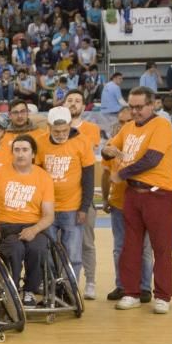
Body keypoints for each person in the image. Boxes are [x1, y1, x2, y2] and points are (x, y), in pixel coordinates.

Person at [101, 86, 172, 314]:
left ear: (153, 104)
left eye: (139, 107)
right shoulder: (128, 128)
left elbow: (152, 159)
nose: (135, 112)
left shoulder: (162, 124)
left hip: (159, 194)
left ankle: (163, 296)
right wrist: (108, 151)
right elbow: (108, 149)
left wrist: (120, 173)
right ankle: (131, 292)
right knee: (130, 247)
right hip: (132, 194)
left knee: (161, 248)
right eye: (131, 107)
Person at [0, 135, 55, 306]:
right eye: (16, 150)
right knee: (15, 249)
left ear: (33, 154)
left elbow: (48, 215)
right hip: (5, 226)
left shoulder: (43, 177)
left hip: (33, 226)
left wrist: (34, 229)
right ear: (12, 153)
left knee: (38, 249)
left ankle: (30, 291)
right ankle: (12, 288)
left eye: (25, 150)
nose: (20, 154)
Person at [34, 106, 94, 285]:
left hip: (73, 208)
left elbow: (89, 179)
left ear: (70, 125)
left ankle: (70, 289)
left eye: (64, 130)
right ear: (48, 126)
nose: (60, 134)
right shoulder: (40, 142)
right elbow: (36, 175)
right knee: (48, 252)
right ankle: (53, 287)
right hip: (47, 209)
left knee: (73, 254)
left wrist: (84, 208)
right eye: (56, 131)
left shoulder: (83, 142)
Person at [101, 107, 154, 304]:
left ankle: (144, 287)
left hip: (143, 203)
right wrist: (105, 198)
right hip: (119, 203)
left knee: (145, 248)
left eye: (128, 121)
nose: (125, 125)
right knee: (120, 248)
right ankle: (122, 285)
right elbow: (106, 174)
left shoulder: (145, 144)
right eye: (121, 123)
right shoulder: (112, 146)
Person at [65, 89, 101, 299]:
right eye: (69, 100)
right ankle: (66, 282)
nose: (73, 104)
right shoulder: (55, 128)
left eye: (77, 101)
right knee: (63, 244)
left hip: (83, 197)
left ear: (83, 106)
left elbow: (86, 150)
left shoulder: (91, 129)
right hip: (62, 200)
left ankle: (91, 282)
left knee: (86, 242)